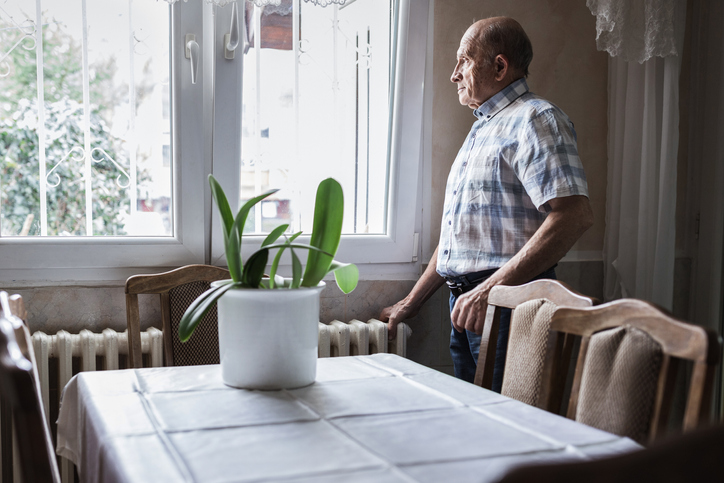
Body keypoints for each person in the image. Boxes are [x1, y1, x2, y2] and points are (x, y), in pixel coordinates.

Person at [379, 16, 593, 391]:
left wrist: (487, 291)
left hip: (512, 305)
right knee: (477, 422)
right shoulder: (484, 128)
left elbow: (573, 216)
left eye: (464, 60)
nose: (454, 74)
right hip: (468, 305)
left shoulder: (536, 119)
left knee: (511, 433)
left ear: (498, 65)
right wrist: (410, 303)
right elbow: (459, 242)